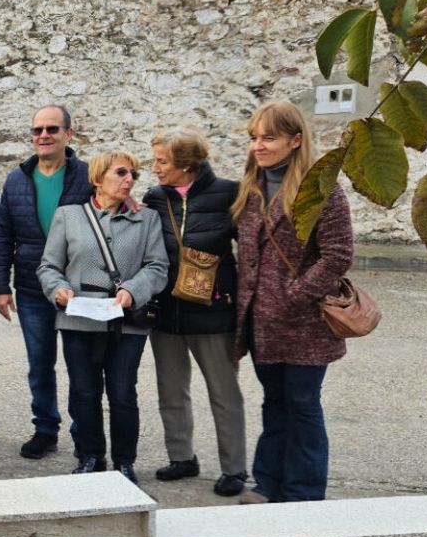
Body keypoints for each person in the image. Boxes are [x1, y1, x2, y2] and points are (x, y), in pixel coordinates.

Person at [233, 101, 353, 504]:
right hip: (261, 325)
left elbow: (338, 255)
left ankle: (303, 494)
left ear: (295, 140)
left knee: (302, 405)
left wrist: (293, 296)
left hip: (304, 325)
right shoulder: (251, 189)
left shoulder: (321, 189)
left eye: (268, 137)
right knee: (274, 403)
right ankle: (267, 483)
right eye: (254, 138)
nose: (259, 146)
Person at [37, 151, 168, 483]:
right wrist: (59, 290)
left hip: (126, 321)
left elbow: (157, 267)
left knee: (123, 392)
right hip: (79, 318)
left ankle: (125, 462)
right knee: (84, 391)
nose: (129, 180)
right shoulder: (69, 216)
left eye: (133, 175)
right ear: (97, 179)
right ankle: (91, 456)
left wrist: (134, 291)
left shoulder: (147, 219)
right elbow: (49, 266)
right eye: (121, 172)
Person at [143, 127, 247, 496]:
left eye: (162, 161)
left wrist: (238, 302)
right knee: (171, 390)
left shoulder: (230, 194)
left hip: (213, 312)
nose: (154, 168)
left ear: (187, 165)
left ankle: (234, 469)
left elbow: (248, 255)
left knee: (224, 393)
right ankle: (182, 457)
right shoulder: (155, 198)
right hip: (166, 311)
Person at [0, 105, 95, 461]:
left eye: (52, 129)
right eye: (37, 130)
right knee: (40, 363)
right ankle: (45, 429)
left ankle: (85, 433)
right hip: (33, 289)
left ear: (69, 133)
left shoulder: (87, 176)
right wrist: (0, 286)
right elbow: (2, 235)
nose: (44, 136)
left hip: (79, 290)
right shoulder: (18, 179)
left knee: (81, 365)